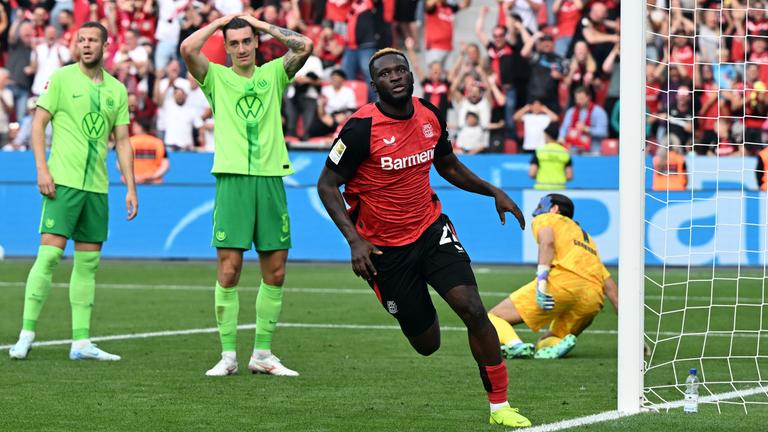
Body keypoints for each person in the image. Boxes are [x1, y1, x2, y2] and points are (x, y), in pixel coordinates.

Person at [316, 48, 532, 428]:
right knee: (427, 343)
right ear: (374, 85)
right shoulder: (359, 128)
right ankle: (398, 295)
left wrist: (491, 191)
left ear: (411, 75)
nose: (396, 77)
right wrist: (355, 241)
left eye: (402, 70)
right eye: (386, 74)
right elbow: (327, 185)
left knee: (473, 308)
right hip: (384, 248)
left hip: (431, 229)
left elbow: (446, 163)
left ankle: (500, 406)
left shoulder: (430, 113)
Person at [180, 14, 313, 377]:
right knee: (229, 270)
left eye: (246, 41)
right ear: (226, 47)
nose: (240, 48)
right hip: (233, 180)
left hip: (270, 179)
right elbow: (188, 48)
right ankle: (227, 356)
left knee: (276, 271)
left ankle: (263, 354)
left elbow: (305, 46)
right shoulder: (215, 78)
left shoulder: (274, 73)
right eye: (234, 42)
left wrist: (260, 23)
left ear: (256, 43)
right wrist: (222, 21)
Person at [8, 22, 138, 361]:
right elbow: (38, 123)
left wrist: (130, 187)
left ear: (105, 45)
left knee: (88, 263)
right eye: (81, 40)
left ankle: (81, 342)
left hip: (97, 188)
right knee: (49, 256)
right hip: (62, 182)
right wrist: (42, 168)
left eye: (93, 40)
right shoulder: (62, 79)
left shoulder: (117, 91)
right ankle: (25, 334)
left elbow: (122, 141)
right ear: (75, 45)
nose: (86, 45)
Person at [488, 194, 618, 360]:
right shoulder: (587, 239)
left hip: (562, 284)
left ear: (554, 208)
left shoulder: (548, 218)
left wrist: (542, 282)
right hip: (592, 298)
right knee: (550, 337)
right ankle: (555, 344)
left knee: (493, 317)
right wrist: (634, 339)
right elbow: (612, 290)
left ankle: (515, 345)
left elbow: (547, 242)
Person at [529, 123, 572, 190]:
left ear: (547, 136)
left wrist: (542, 178)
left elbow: (532, 173)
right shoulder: (564, 152)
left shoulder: (539, 151)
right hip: (559, 189)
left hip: (541, 188)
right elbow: (569, 176)